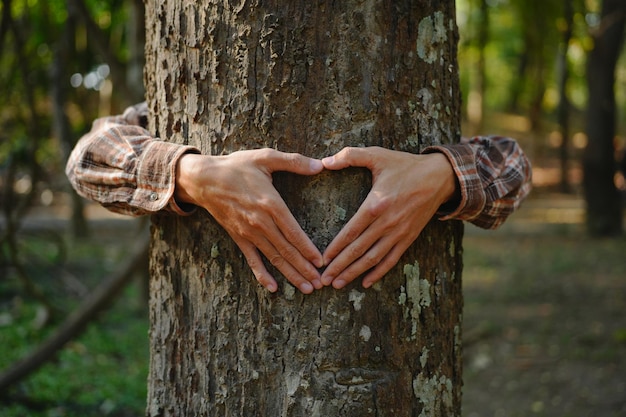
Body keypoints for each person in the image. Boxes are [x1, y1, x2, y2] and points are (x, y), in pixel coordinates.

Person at [66, 102, 532, 294]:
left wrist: (443, 174)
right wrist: (191, 173)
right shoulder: (184, 100)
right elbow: (86, 159)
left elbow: (515, 166)